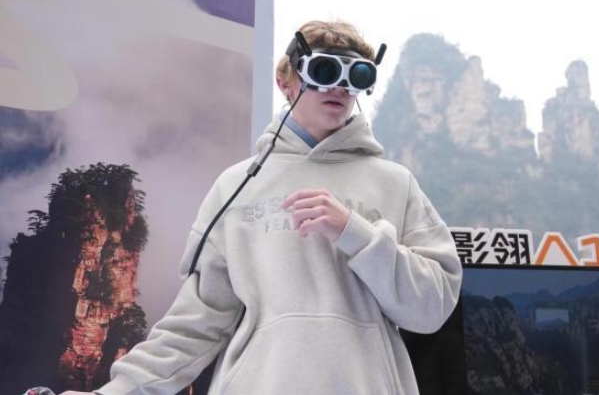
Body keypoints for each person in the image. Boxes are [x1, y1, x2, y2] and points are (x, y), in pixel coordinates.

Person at [61, 19, 462, 395]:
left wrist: (355, 234)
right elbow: (196, 324)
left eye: (355, 76)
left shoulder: (395, 183)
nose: (339, 88)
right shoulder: (237, 185)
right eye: (324, 71)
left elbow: (432, 307)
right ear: (286, 82)